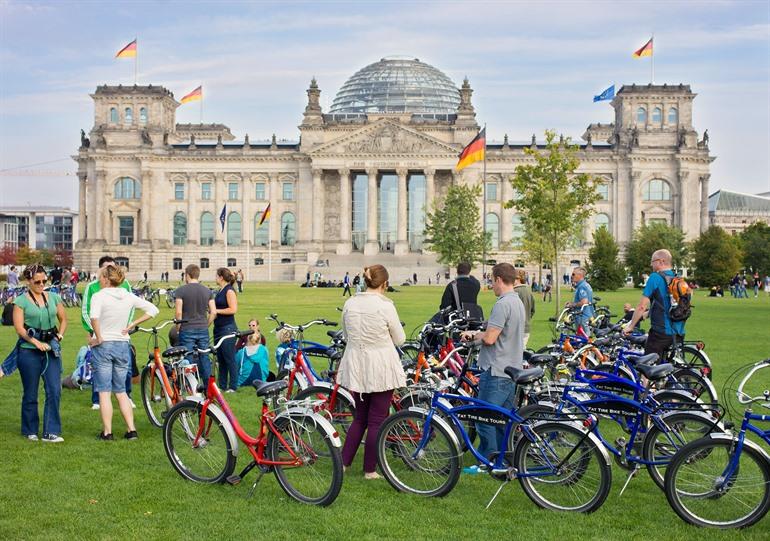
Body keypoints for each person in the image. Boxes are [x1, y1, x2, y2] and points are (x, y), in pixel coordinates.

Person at [338, 265, 406, 479]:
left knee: (360, 417)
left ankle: (344, 462)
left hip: (357, 362)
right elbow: (400, 338)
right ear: (384, 283)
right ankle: (369, 469)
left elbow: (346, 334)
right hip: (379, 364)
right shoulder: (385, 306)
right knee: (377, 419)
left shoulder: (350, 302)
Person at [460, 263, 525, 473]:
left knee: (484, 419)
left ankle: (486, 461)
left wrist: (474, 336)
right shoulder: (517, 301)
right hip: (511, 367)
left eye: (491, 280)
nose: (491, 285)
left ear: (498, 279)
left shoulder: (502, 303)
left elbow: (490, 338)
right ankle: (502, 460)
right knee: (501, 420)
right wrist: (480, 333)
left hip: (496, 369)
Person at [89, 265, 158, 440]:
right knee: (121, 391)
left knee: (104, 391)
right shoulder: (127, 295)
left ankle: (107, 432)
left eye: (100, 277)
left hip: (104, 345)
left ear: (105, 278)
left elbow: (94, 317)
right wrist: (131, 324)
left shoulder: (99, 296)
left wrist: (98, 337)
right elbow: (153, 310)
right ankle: (131, 430)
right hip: (122, 344)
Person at [10, 264, 67, 442]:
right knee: (31, 392)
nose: (42, 284)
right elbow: (19, 328)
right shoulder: (21, 301)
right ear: (28, 281)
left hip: (51, 348)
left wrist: (59, 336)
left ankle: (51, 431)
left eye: (44, 281)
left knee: (54, 390)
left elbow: (63, 319)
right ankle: (30, 430)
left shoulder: (54, 297)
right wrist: (35, 342)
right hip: (28, 351)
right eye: (37, 282)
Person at [81, 256, 134, 410]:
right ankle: (97, 399)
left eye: (112, 267)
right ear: (100, 270)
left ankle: (126, 395)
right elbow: (86, 310)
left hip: (120, 333)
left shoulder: (125, 285)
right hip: (99, 333)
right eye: (106, 268)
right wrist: (94, 331)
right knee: (98, 366)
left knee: (126, 367)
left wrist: (128, 326)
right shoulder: (92, 287)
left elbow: (131, 308)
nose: (110, 271)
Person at [623, 249, 684, 359]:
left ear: (661, 261)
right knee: (664, 368)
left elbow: (642, 306)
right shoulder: (677, 278)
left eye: (653, 261)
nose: (651, 264)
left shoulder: (655, 277)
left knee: (646, 368)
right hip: (678, 331)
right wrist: (646, 315)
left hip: (660, 332)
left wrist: (631, 326)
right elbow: (665, 303)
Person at [175, 264, 216, 383]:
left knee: (188, 358)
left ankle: (191, 384)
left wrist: (178, 327)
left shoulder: (181, 290)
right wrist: (207, 324)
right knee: (204, 357)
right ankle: (209, 385)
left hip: (187, 328)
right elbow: (213, 312)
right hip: (202, 328)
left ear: (187, 275)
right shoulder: (207, 291)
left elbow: (178, 313)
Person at [212, 267, 239, 392]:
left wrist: (216, 310)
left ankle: (233, 386)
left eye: (216, 276)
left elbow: (233, 309)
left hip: (227, 328)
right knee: (221, 358)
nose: (215, 278)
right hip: (218, 328)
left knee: (229, 358)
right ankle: (222, 385)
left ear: (221, 277)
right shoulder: (220, 290)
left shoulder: (229, 291)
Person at [234, 319, 269, 387]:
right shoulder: (264, 349)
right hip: (261, 379)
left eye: (253, 325)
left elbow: (236, 362)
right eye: (250, 325)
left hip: (244, 379)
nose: (251, 327)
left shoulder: (242, 351)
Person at [566, 267, 594, 332]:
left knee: (584, 339)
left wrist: (572, 305)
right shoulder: (586, 285)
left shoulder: (582, 286)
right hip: (587, 315)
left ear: (580, 275)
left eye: (573, 274)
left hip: (582, 317)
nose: (571, 276)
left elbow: (584, 302)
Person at [513, 269, 535, 347]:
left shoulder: (514, 291)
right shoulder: (529, 291)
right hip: (526, 327)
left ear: (518, 279)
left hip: (516, 329)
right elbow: (532, 310)